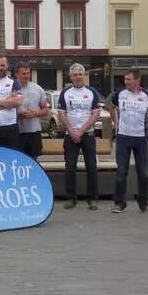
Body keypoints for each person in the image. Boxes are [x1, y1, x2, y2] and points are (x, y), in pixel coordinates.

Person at [109, 69, 148, 214]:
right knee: (121, 171)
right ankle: (119, 203)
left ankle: (143, 202)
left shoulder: (147, 96)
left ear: (137, 80)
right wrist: (116, 122)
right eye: (125, 79)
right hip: (123, 137)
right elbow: (111, 106)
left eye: (129, 79)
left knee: (143, 173)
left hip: (140, 138)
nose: (126, 82)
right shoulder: (120, 94)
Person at [58, 63, 102, 211]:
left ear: (84, 75)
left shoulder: (92, 92)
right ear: (70, 76)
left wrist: (81, 131)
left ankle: (92, 199)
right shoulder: (65, 92)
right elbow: (61, 113)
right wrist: (72, 131)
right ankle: (71, 198)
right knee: (70, 166)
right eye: (75, 75)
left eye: (80, 74)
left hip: (87, 134)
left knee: (92, 167)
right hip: (70, 135)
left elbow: (95, 113)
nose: (77, 77)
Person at [16, 63, 49, 160]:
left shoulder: (38, 89)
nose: (26, 76)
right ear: (17, 74)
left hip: (34, 132)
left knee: (33, 161)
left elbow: (46, 109)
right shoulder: (11, 89)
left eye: (28, 73)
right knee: (17, 160)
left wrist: (36, 113)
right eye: (23, 74)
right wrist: (19, 114)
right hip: (17, 132)